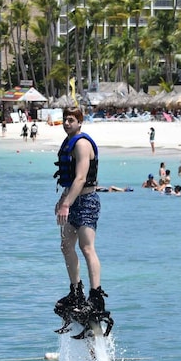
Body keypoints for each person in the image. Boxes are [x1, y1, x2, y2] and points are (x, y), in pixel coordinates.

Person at [54, 106, 109, 328]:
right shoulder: (68, 144)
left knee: (87, 248)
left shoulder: (82, 144)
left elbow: (80, 179)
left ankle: (95, 297)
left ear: (79, 122)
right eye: (64, 120)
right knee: (66, 246)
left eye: (71, 120)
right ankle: (76, 291)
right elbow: (69, 183)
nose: (67, 123)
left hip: (86, 202)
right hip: (72, 201)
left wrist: (66, 203)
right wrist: (63, 200)